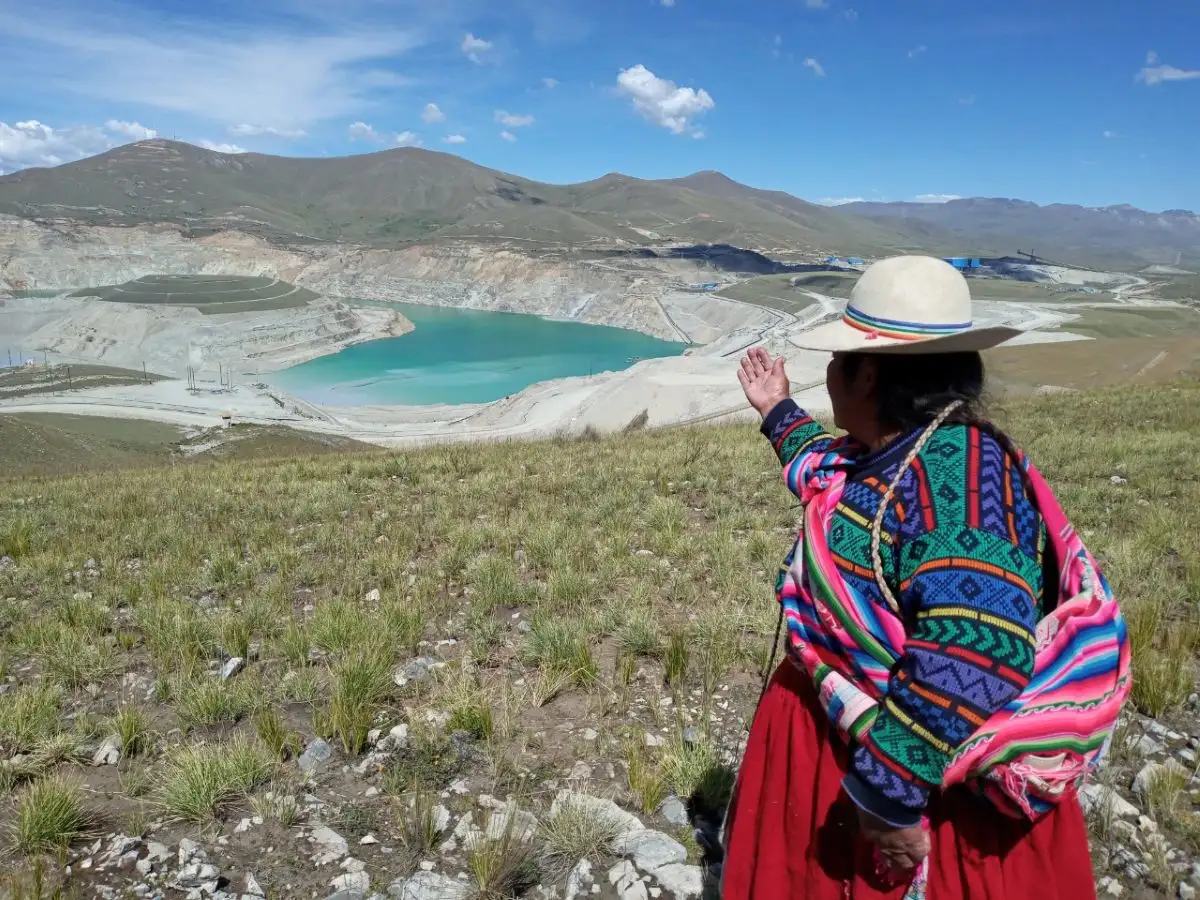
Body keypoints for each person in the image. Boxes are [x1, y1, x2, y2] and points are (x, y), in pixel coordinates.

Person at [722, 255, 1130, 900]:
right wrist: (777, 409)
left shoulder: (961, 479)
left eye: (839, 357)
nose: (829, 371)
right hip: (855, 745)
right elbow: (827, 474)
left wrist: (887, 799)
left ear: (868, 374)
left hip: (926, 790)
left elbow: (974, 650)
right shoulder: (893, 449)